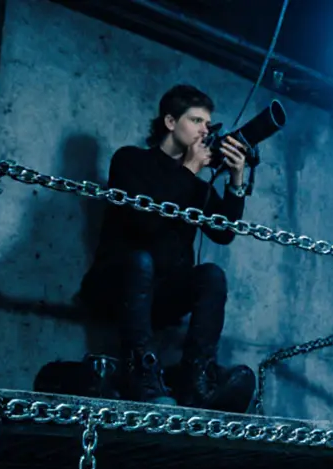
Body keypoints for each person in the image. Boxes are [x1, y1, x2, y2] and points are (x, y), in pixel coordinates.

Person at [79, 84, 255, 410]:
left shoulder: (195, 184)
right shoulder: (130, 160)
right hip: (117, 284)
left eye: (208, 123)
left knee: (211, 275)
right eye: (196, 120)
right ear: (171, 122)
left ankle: (196, 379)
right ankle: (141, 373)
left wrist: (236, 180)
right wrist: (189, 170)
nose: (205, 131)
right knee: (141, 260)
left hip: (164, 294)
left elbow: (223, 232)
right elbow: (143, 224)